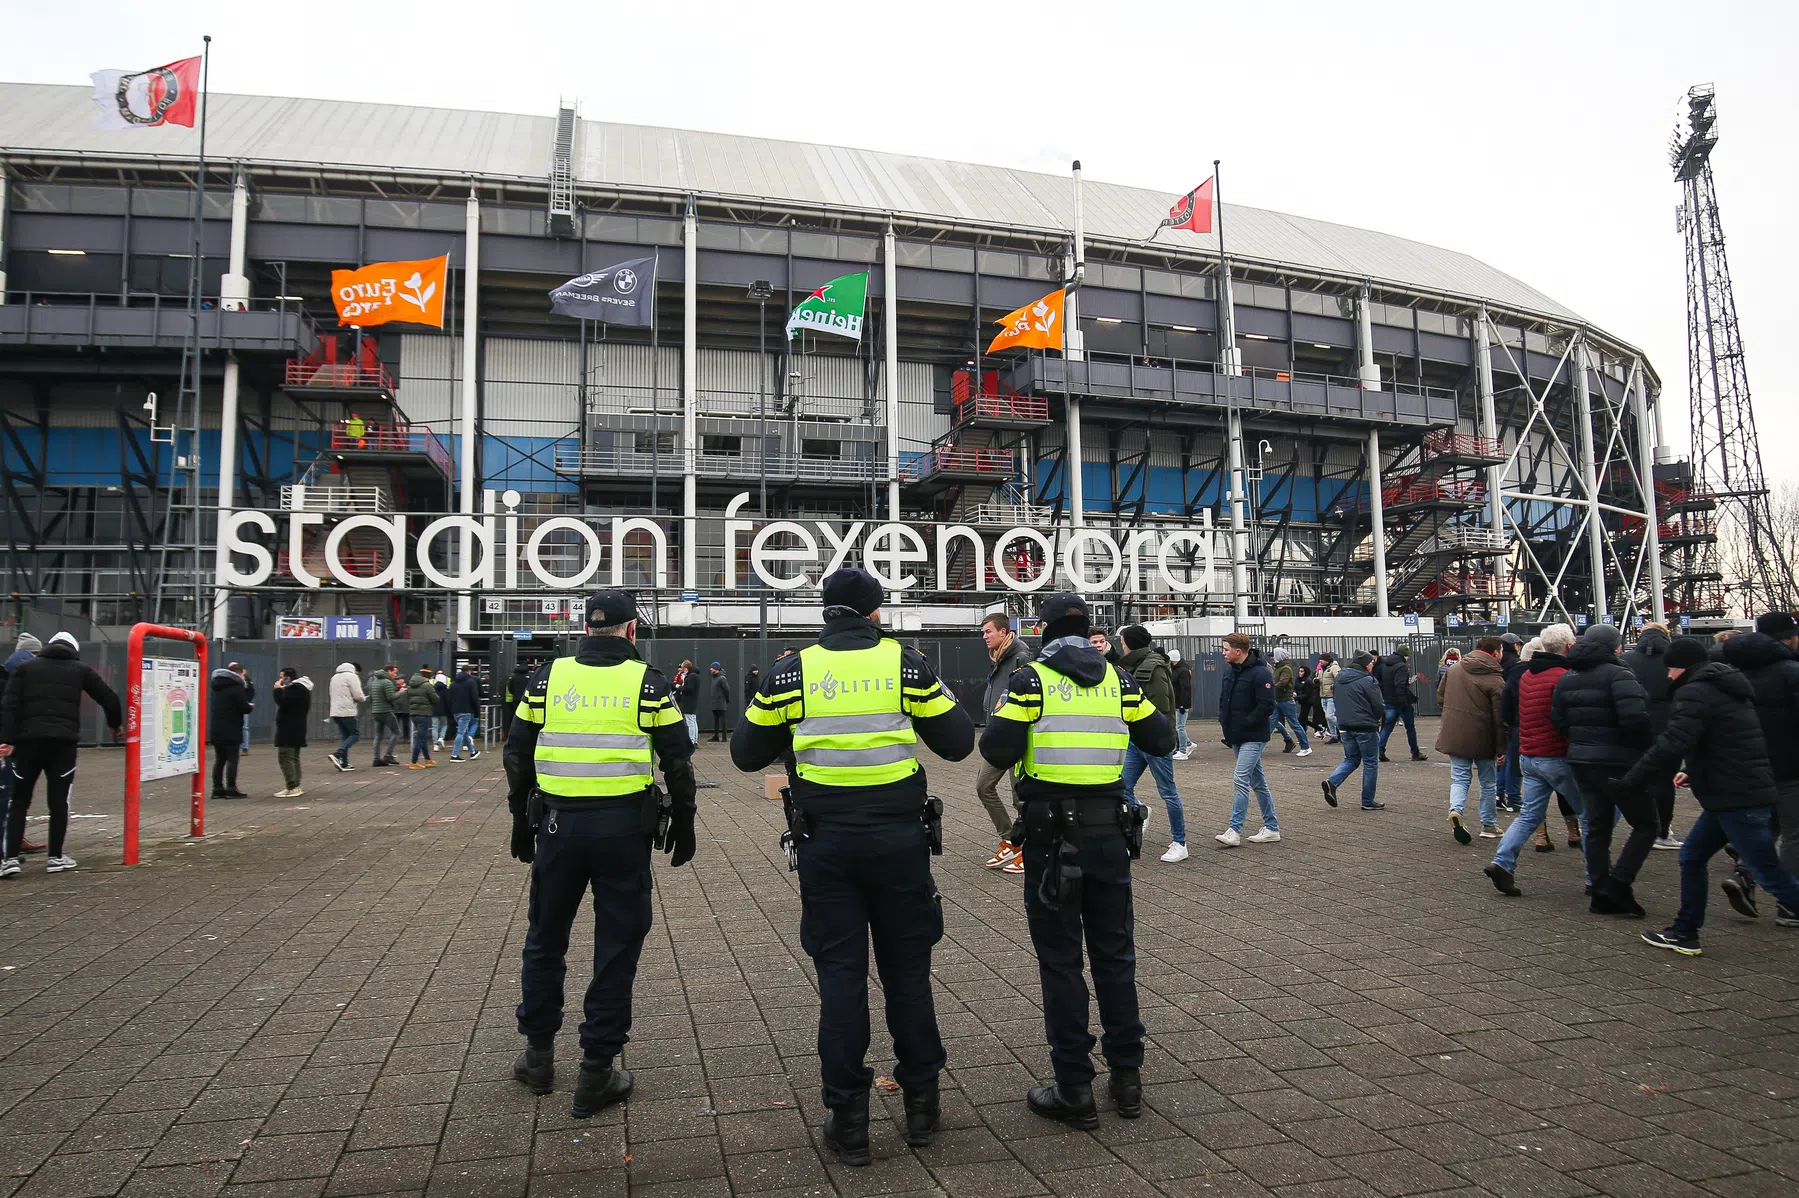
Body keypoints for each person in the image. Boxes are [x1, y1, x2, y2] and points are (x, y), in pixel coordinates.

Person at [731, 568, 974, 1164]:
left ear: (825, 613)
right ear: (875, 613)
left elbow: (743, 753)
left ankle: (849, 1117)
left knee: (840, 978)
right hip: (899, 841)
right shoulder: (906, 664)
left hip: (827, 844)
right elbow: (959, 742)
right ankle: (921, 1103)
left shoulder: (793, 671)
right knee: (907, 973)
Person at [980, 592, 1172, 1131]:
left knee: (1061, 960)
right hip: (1110, 834)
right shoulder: (1117, 680)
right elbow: (1159, 737)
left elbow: (994, 751)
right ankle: (1128, 1078)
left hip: (1050, 840)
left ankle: (1074, 1089)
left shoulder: (1032, 680)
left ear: (1043, 629)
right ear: (1088, 627)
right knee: (1115, 953)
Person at [506, 590, 698, 1117]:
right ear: (631, 631)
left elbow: (517, 751)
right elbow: (678, 761)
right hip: (621, 834)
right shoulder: (650, 684)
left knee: (545, 938)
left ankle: (538, 1057)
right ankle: (596, 1072)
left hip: (556, 827)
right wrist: (684, 822)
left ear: (586, 628)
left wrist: (519, 821)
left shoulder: (546, 678)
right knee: (616, 945)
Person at [1622, 637, 1799, 956]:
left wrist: (1632, 779)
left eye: (1672, 669)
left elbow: (1672, 742)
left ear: (1684, 667)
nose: (1668, 676)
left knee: (1768, 872)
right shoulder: (1729, 687)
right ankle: (1686, 931)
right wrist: (1695, 769)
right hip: (1733, 792)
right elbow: (1727, 739)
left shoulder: (1695, 691)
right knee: (1691, 857)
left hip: (1735, 796)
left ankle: (1687, 930)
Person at [1551, 624, 1656, 917]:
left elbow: (1557, 720)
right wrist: (1644, 751)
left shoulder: (1568, 677)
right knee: (1647, 824)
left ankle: (1599, 892)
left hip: (1582, 761)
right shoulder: (1619, 674)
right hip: (1618, 762)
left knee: (1597, 827)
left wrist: (1581, 741)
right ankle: (1619, 883)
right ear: (1616, 647)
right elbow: (1635, 720)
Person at [0, 632, 122, 877]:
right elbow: (109, 697)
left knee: (19, 800)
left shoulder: (25, 669)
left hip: (27, 744)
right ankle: (55, 858)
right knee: (59, 801)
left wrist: (7, 740)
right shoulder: (80, 670)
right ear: (73, 649)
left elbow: (9, 706)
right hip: (63, 745)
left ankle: (9, 859)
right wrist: (114, 724)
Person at [1714, 612, 1799, 922]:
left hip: (1750, 764)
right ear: (1788, 637)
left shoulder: (1732, 672)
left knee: (1767, 827)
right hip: (1790, 765)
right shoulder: (1791, 671)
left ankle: (1743, 875)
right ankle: (1790, 903)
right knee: (1794, 834)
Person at [1485, 624, 1582, 895]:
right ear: (1568, 646)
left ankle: (1502, 862)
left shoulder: (1526, 676)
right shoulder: (1564, 676)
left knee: (1529, 814)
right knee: (1588, 812)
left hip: (1529, 753)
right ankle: (1595, 878)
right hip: (1556, 754)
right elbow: (1565, 719)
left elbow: (1511, 714)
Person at [1116, 626, 1188, 862]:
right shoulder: (1133, 665)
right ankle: (1138, 821)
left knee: (1168, 791)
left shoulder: (1152, 667)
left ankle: (1180, 842)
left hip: (1154, 740)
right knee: (1122, 788)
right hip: (1136, 738)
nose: (1120, 644)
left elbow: (1159, 708)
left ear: (1130, 643)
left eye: (1122, 641)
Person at [976, 611, 1034, 873]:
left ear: (1003, 631)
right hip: (999, 736)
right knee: (983, 786)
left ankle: (1030, 849)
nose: (985, 636)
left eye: (988, 631)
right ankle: (1011, 839)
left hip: (1016, 738)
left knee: (1018, 797)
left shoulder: (1020, 657)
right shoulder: (999, 658)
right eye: (983, 632)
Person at [1436, 636, 1506, 842]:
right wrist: (1502, 747)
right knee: (1488, 782)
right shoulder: (1495, 678)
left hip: (1454, 734)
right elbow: (1500, 717)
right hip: (1484, 737)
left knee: (1459, 778)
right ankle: (1489, 824)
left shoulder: (1454, 669)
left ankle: (1456, 811)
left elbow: (1440, 697)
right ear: (1495, 653)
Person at [1217, 632, 1281, 847]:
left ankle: (1234, 830)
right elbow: (1224, 700)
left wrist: (1245, 722)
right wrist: (1224, 722)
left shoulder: (1261, 673)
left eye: (1226, 649)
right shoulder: (1230, 672)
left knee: (1240, 778)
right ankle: (1271, 827)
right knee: (1257, 782)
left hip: (1253, 735)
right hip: (1236, 735)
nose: (1223, 653)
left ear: (1238, 651)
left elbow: (1267, 706)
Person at [1622, 623, 1679, 849]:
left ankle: (1644, 824)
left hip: (1634, 724)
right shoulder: (1673, 660)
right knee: (1665, 779)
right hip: (1667, 724)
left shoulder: (1627, 659)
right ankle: (1663, 832)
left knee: (1640, 776)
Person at [1321, 650, 1385, 811]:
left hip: (1344, 725)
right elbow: (1378, 704)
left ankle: (1332, 782)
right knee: (1370, 762)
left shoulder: (1340, 679)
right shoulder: (1368, 680)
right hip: (1365, 725)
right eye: (1371, 663)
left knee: (1351, 758)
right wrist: (1378, 717)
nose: (1372, 665)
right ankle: (1368, 800)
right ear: (1365, 664)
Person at [0, 634, 45, 855]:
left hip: (12, 743)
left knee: (12, 795)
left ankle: (14, 839)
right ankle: (10, 843)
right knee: (10, 794)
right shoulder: (21, 674)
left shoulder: (10, 674)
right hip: (10, 745)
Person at [208, 664, 254, 801]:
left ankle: (217, 789)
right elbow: (244, 707)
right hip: (232, 728)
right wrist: (250, 708)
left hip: (217, 729)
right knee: (232, 760)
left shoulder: (216, 687)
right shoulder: (236, 688)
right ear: (239, 674)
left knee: (219, 760)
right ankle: (231, 789)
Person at [1378, 645, 1427, 762]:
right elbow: (1400, 685)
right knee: (1410, 727)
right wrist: (1403, 702)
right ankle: (1415, 752)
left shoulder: (1385, 665)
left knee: (1387, 726)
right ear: (1405, 655)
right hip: (1401, 701)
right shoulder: (1402, 667)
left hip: (1388, 700)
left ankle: (1379, 749)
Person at [272, 667, 313, 798]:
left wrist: (277, 690)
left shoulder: (294, 689)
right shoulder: (303, 689)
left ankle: (292, 786)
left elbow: (282, 702)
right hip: (297, 727)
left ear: (288, 677)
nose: (280, 680)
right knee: (294, 757)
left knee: (285, 756)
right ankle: (295, 784)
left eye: (282, 677)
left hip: (288, 728)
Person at [1268, 648, 1309, 755]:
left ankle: (1305, 747)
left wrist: (1270, 688)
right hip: (1278, 700)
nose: (1272, 657)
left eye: (1274, 655)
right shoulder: (1278, 668)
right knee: (1271, 723)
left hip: (1286, 700)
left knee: (1294, 724)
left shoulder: (1285, 668)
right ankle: (1258, 747)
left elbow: (1282, 683)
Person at [327, 661, 366, 772]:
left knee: (345, 736)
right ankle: (338, 754)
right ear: (355, 670)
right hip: (347, 711)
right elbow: (358, 696)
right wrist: (363, 699)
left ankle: (344, 763)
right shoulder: (352, 677)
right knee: (355, 734)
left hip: (335, 712)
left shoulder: (334, 677)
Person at [367, 663, 402, 767]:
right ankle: (388, 755)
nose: (395, 675)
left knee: (378, 735)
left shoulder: (375, 682)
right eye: (394, 673)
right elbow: (391, 697)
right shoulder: (387, 682)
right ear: (389, 671)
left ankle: (376, 758)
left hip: (376, 711)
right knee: (396, 732)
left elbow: (371, 698)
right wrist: (401, 692)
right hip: (385, 711)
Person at [406, 664, 439, 768]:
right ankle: (414, 761)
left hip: (414, 713)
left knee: (423, 737)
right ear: (428, 675)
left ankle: (428, 760)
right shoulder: (427, 685)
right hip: (424, 713)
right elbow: (436, 699)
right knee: (420, 738)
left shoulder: (410, 685)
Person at [449, 665, 484, 761]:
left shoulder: (453, 683)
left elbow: (450, 698)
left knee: (464, 732)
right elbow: (474, 698)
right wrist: (477, 711)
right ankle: (454, 755)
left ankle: (472, 752)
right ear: (469, 671)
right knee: (461, 732)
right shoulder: (471, 682)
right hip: (467, 710)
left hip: (456, 710)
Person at [1169, 648, 1195, 759]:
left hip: (1181, 703)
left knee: (1180, 727)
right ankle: (1188, 744)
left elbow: (1186, 689)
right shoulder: (1179, 670)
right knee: (1178, 726)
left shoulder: (1181, 671)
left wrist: (1183, 705)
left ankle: (1183, 751)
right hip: (1178, 702)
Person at [503, 658, 534, 739]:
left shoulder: (513, 677)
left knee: (516, 718)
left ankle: (516, 735)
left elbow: (510, 688)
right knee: (527, 719)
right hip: (527, 700)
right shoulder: (531, 676)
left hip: (516, 701)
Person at [1316, 651, 1341, 744]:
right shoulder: (1321, 669)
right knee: (1328, 718)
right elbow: (1319, 679)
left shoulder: (1334, 668)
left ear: (1326, 660)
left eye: (1322, 659)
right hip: (1323, 695)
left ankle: (1343, 729)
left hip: (1331, 695)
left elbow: (1339, 679)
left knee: (1330, 716)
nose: (1320, 661)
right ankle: (1334, 736)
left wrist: (1333, 687)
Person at [674, 659, 700, 744]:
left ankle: (692, 740)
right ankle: (694, 740)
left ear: (685, 667)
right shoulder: (694, 676)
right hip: (692, 701)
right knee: (693, 720)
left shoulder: (691, 677)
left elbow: (689, 689)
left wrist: (679, 687)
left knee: (690, 722)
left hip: (689, 702)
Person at [706, 662, 730, 742]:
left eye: (712, 668)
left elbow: (726, 689)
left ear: (716, 669)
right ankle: (716, 736)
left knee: (723, 720)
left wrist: (726, 699)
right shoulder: (714, 677)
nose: (710, 669)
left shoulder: (722, 678)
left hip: (721, 702)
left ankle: (724, 737)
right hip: (715, 701)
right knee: (716, 720)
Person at [431, 669, 451, 749]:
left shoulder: (432, 689)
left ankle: (435, 745)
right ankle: (441, 737)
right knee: (444, 725)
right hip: (443, 710)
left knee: (434, 726)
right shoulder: (446, 690)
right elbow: (448, 701)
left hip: (434, 710)